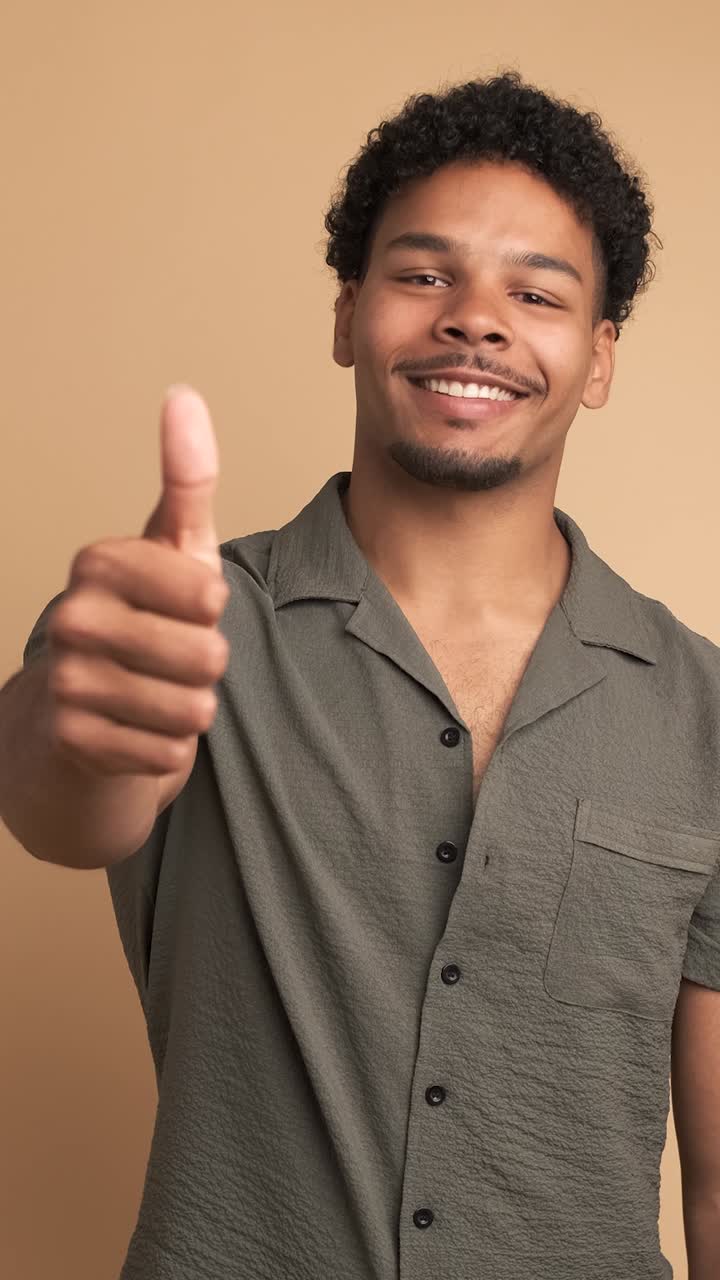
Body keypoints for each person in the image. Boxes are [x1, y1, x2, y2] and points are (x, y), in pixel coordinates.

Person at [1, 68, 718, 1280]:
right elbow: (62, 802)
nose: (475, 320)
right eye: (424, 274)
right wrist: (67, 724)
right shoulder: (183, 622)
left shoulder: (704, 709)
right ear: (348, 315)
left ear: (598, 357)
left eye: (533, 293)